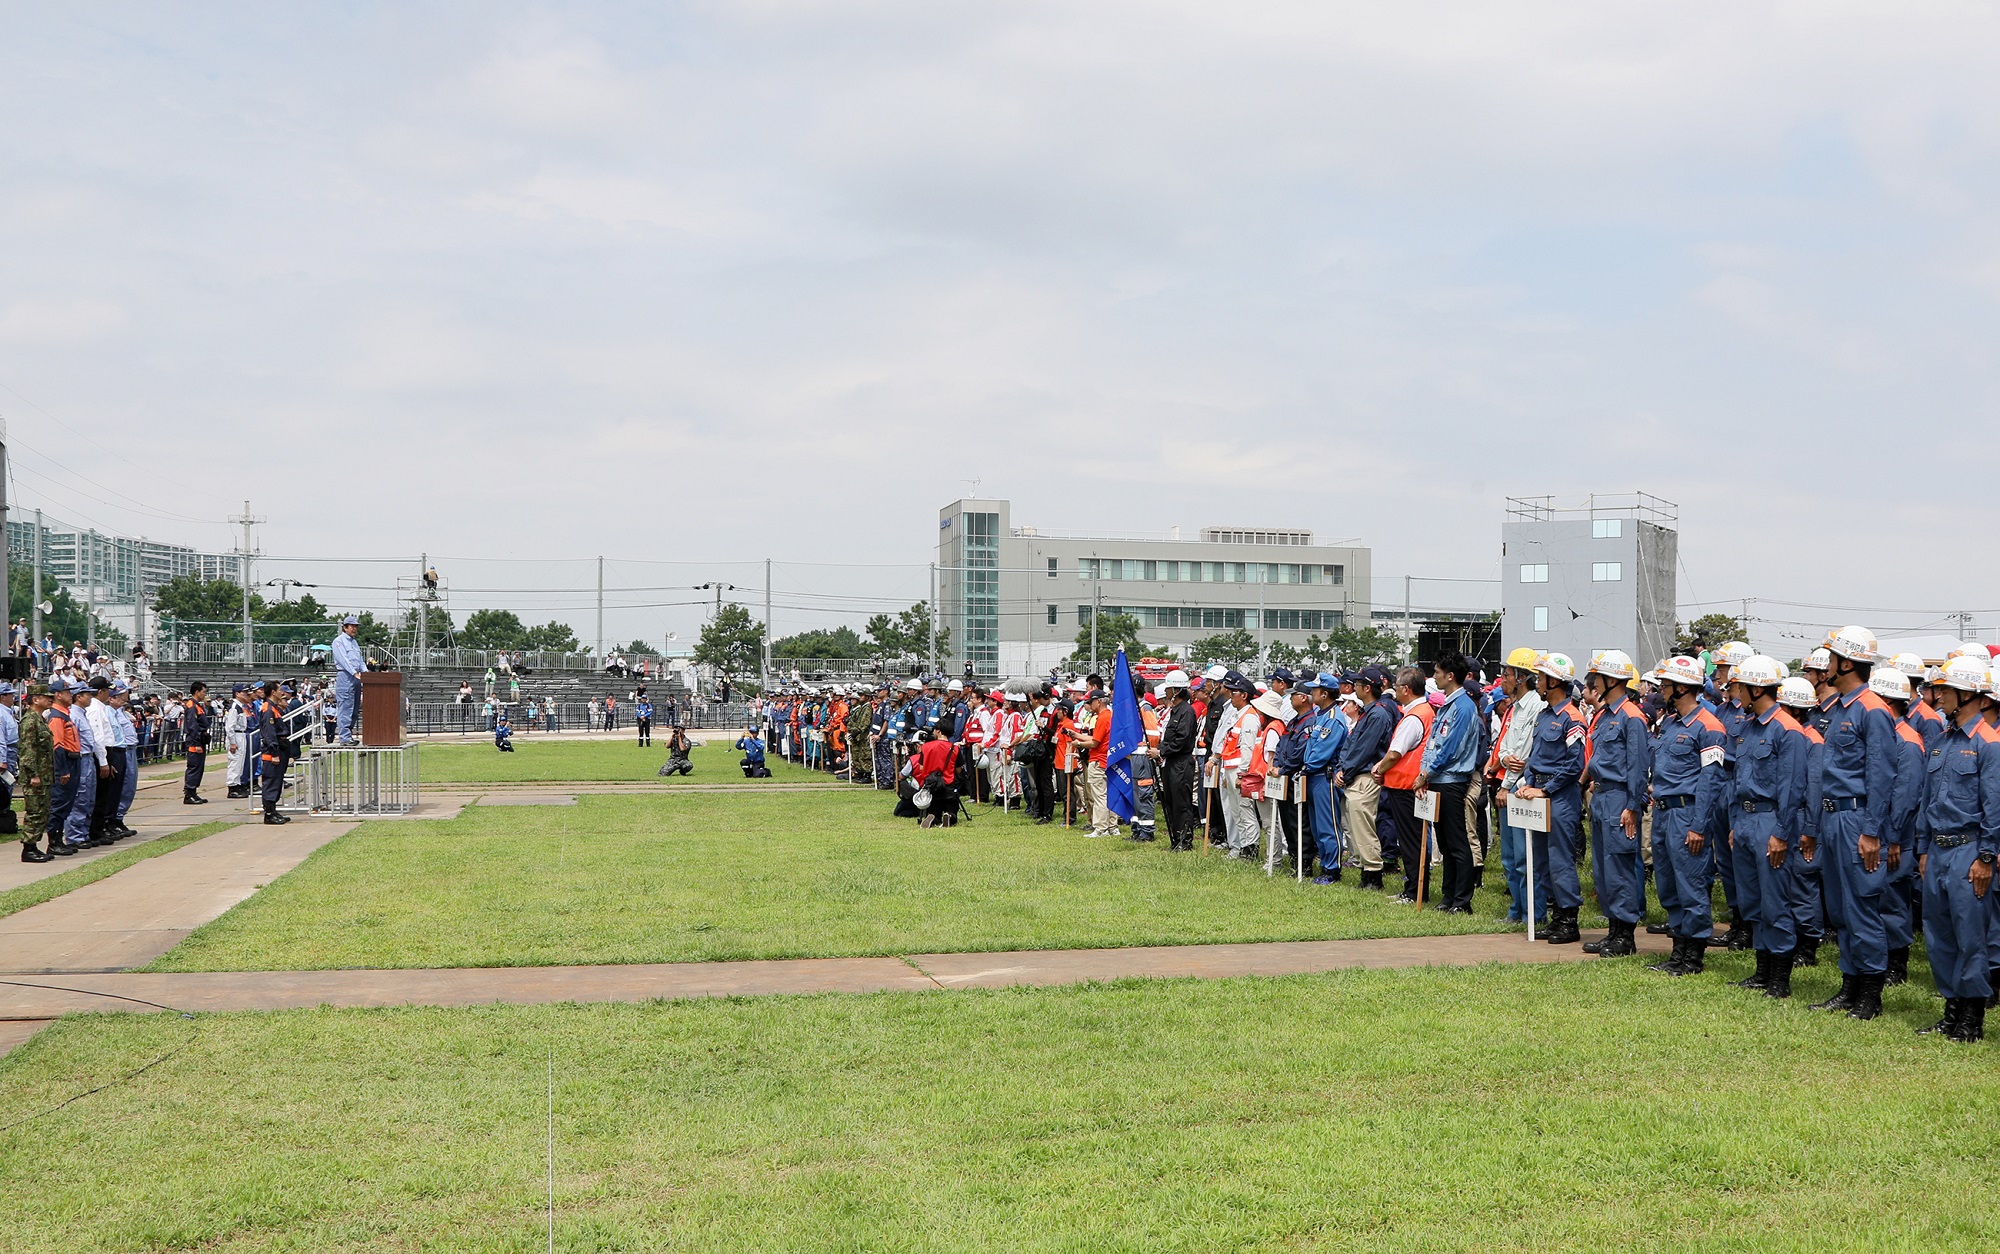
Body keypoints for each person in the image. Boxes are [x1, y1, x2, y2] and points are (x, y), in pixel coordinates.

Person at [1806, 626, 1897, 1021]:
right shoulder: (1840, 707)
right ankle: (1849, 986)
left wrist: (1872, 831)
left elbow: (1882, 775)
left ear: (1847, 663)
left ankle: (1871, 994)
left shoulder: (1872, 709)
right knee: (1841, 908)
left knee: (1861, 905)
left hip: (1856, 818)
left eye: (1830, 659)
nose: (1825, 666)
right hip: (1832, 816)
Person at [1914, 654, 1998, 1042]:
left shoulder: (1990, 744)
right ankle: (1951, 1012)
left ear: (1968, 695)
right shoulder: (1941, 741)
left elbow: (1994, 806)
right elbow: (1925, 800)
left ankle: (1972, 1019)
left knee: (1971, 937)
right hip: (1939, 849)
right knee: (1939, 934)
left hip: (1969, 851)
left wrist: (1986, 857)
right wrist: (1923, 848)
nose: (1939, 696)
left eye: (1946, 690)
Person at [1723, 655, 1810, 998]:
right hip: (1745, 820)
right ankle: (1761, 971)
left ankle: (1780, 978)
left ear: (1756, 688)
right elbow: (1737, 780)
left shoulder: (1787, 729)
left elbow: (1792, 789)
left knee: (1775, 901)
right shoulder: (1746, 727)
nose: (1736, 692)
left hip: (1771, 821)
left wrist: (1781, 833)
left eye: (1740, 686)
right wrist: (1734, 823)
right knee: (1752, 900)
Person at [1643, 657, 1728, 976]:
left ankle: (1693, 957)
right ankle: (1678, 952)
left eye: (1665, 685)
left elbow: (1711, 780)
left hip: (1688, 814)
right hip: (1664, 813)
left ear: (1681, 687)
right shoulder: (1671, 722)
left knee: (1691, 884)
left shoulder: (1710, 726)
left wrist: (1699, 825)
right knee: (1668, 885)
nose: (1661, 690)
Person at [1578, 650, 1650, 955]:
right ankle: (1613, 930)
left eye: (1597, 677)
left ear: (1610, 680)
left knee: (1620, 866)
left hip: (1621, 798)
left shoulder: (1632, 717)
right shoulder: (1605, 714)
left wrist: (1633, 806)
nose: (1593, 681)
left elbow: (1637, 767)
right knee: (1604, 869)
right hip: (1603, 795)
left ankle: (1626, 936)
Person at [1515, 653, 1585, 944]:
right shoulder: (1544, 716)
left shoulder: (1573, 717)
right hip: (1537, 793)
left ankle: (1569, 920)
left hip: (1559, 797)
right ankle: (1556, 918)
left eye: (1542, 678)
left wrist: (1545, 789)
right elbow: (1535, 757)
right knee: (1542, 859)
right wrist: (1528, 783)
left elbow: (1575, 763)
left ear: (1555, 681)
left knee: (1560, 860)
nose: (1538, 682)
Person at [1416, 651, 1483, 914]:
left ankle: (1462, 901)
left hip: (1452, 781)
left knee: (1457, 842)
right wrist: (1424, 773)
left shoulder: (1464, 707)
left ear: (1450, 675)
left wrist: (1427, 773)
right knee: (1444, 842)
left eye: (1437, 672)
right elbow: (1432, 743)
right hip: (1436, 780)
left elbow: (1451, 749)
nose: (1434, 677)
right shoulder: (1447, 705)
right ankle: (1448, 895)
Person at [1376, 667, 1433, 902]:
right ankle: (1414, 888)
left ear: (1406, 689)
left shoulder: (1414, 716)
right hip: (1409, 785)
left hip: (1406, 787)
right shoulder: (1424, 710)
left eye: (1397, 687)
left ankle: (1414, 892)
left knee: (1410, 842)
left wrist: (1378, 768)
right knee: (1413, 841)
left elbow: (1394, 753)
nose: (1394, 690)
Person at [1157, 672, 1199, 850]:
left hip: (1181, 762)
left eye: (1168, 688)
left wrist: (1161, 751)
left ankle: (1184, 840)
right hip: (1171, 762)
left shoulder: (1186, 712)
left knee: (1181, 801)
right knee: (1171, 800)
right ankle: (1176, 838)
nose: (1166, 691)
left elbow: (1181, 740)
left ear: (1176, 690)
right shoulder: (1175, 711)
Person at [17, 683, 54, 862]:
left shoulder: (40, 719)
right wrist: (33, 774)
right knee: (34, 811)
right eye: (45, 697)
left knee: (42, 810)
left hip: (44, 774)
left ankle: (34, 846)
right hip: (36, 776)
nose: (50, 699)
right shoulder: (30, 721)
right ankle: (28, 848)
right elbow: (27, 750)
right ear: (35, 699)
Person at [256, 682, 295, 823]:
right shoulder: (268, 709)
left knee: (277, 780)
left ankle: (273, 810)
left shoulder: (274, 708)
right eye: (279, 690)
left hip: (280, 747)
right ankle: (269, 813)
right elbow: (269, 733)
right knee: (271, 781)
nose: (282, 693)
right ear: (273, 692)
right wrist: (274, 753)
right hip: (273, 749)